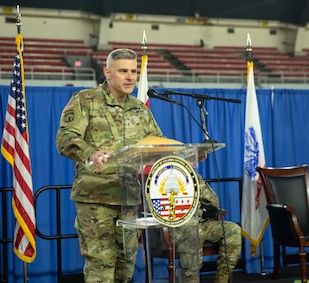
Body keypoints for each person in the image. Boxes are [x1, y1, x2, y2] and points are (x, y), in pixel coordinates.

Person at [56, 48, 163, 283]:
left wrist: (181, 156)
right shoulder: (86, 100)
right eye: (123, 71)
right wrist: (91, 152)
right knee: (101, 269)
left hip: (128, 199)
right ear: (107, 72)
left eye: (134, 71)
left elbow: (156, 145)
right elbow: (64, 139)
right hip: (96, 199)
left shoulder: (139, 108)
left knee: (125, 269)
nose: (130, 77)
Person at [174, 175, 242, 283]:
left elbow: (213, 202)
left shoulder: (193, 176)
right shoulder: (165, 175)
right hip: (178, 227)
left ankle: (222, 279)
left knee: (233, 230)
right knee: (192, 233)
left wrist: (195, 180)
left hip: (200, 223)